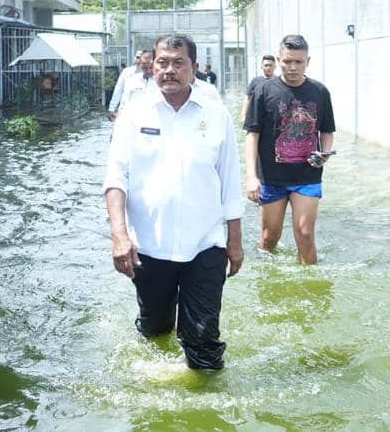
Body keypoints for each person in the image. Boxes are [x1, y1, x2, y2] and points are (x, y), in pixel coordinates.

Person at [103, 33, 244, 370]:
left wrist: (234, 242)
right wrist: (120, 236)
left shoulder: (216, 114)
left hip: (206, 244)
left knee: (204, 343)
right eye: (162, 63)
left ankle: (209, 409)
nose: (169, 70)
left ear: (194, 68)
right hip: (150, 246)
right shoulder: (134, 113)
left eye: (178, 63)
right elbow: (115, 179)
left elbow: (230, 183)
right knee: (155, 330)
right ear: (152, 67)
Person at [244, 35, 335, 265]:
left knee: (305, 235)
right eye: (287, 61)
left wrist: (324, 154)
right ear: (278, 60)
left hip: (307, 176)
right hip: (272, 178)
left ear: (308, 61)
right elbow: (252, 135)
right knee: (269, 238)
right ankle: (266, 284)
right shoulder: (264, 91)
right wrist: (251, 177)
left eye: (298, 62)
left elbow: (327, 132)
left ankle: (310, 288)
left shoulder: (320, 92)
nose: (292, 67)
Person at [107, 51, 143, 120]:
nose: (138, 60)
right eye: (137, 57)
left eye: (141, 58)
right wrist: (111, 108)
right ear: (134, 58)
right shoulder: (126, 72)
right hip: (124, 109)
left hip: (140, 111)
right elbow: (118, 90)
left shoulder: (149, 74)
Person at [240, 55, 277, 124]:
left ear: (275, 66)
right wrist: (243, 116)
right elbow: (247, 99)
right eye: (266, 65)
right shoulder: (255, 81)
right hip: (256, 117)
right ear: (261, 66)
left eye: (270, 65)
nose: (268, 68)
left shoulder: (278, 81)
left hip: (273, 119)